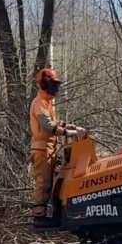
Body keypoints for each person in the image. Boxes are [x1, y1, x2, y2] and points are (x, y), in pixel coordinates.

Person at [30, 68, 85, 227]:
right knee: (43, 181)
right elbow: (47, 125)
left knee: (51, 181)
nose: (55, 89)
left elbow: (56, 122)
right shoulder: (39, 103)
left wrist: (74, 128)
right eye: (53, 85)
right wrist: (67, 132)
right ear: (44, 84)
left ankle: (53, 213)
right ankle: (39, 217)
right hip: (41, 148)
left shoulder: (47, 102)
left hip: (50, 147)